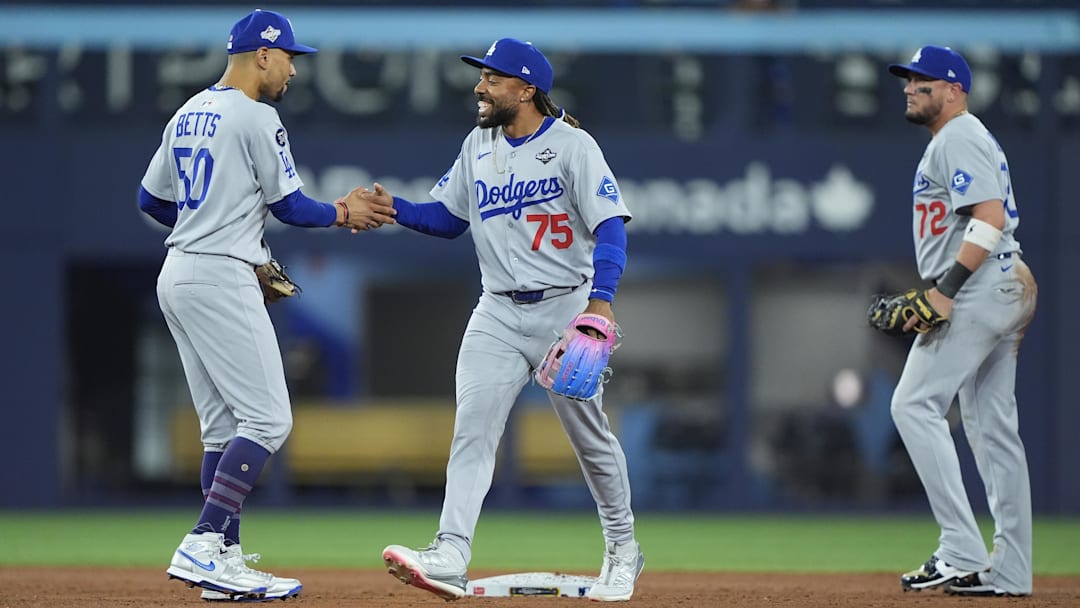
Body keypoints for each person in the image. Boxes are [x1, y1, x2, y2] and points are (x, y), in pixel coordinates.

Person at [371, 38, 644, 602]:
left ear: (526, 90)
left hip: (566, 307)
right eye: (482, 78)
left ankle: (623, 548)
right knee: (472, 429)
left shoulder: (573, 146)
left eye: (493, 79)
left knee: (589, 439)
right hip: (495, 310)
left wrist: (602, 298)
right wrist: (393, 208)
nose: (480, 87)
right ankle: (450, 551)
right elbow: (448, 219)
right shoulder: (478, 144)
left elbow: (611, 226)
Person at [137, 9, 396, 602]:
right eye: (288, 58)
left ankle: (222, 565)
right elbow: (292, 207)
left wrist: (206, 226)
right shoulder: (257, 115)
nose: (292, 71)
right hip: (220, 275)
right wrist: (343, 212)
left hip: (178, 272)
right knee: (270, 420)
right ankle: (204, 542)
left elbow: (149, 198)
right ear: (262, 55)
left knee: (222, 430)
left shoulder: (187, 111)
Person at [885, 45, 1037, 597]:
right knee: (993, 431)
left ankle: (961, 548)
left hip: (979, 286)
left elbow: (990, 217)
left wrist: (944, 293)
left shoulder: (959, 135)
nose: (910, 87)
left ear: (955, 90)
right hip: (996, 283)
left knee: (912, 404)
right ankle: (1011, 570)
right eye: (908, 80)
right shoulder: (953, 140)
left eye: (923, 80)